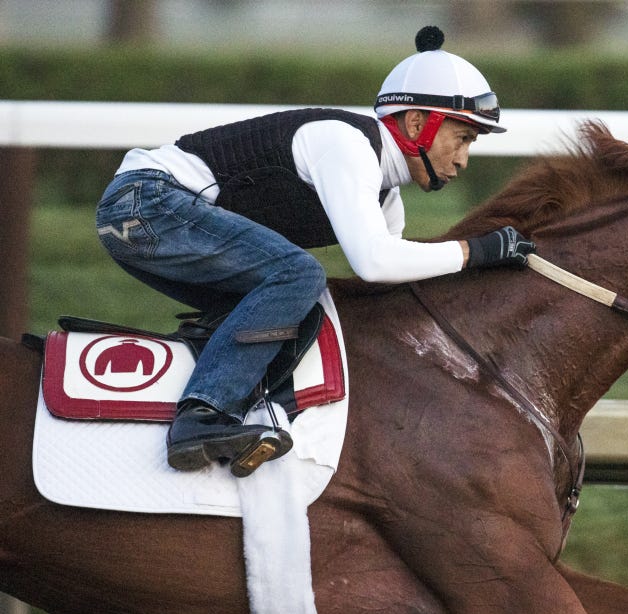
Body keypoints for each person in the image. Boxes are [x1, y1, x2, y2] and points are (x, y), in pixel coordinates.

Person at [94, 26, 535, 477]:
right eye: (462, 138)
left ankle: (247, 416)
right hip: (144, 204)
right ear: (419, 124)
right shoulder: (346, 145)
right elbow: (375, 262)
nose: (463, 159)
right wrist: (475, 251)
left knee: (304, 310)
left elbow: (393, 280)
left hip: (142, 219)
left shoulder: (384, 197)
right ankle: (202, 417)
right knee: (300, 276)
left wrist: (487, 278)